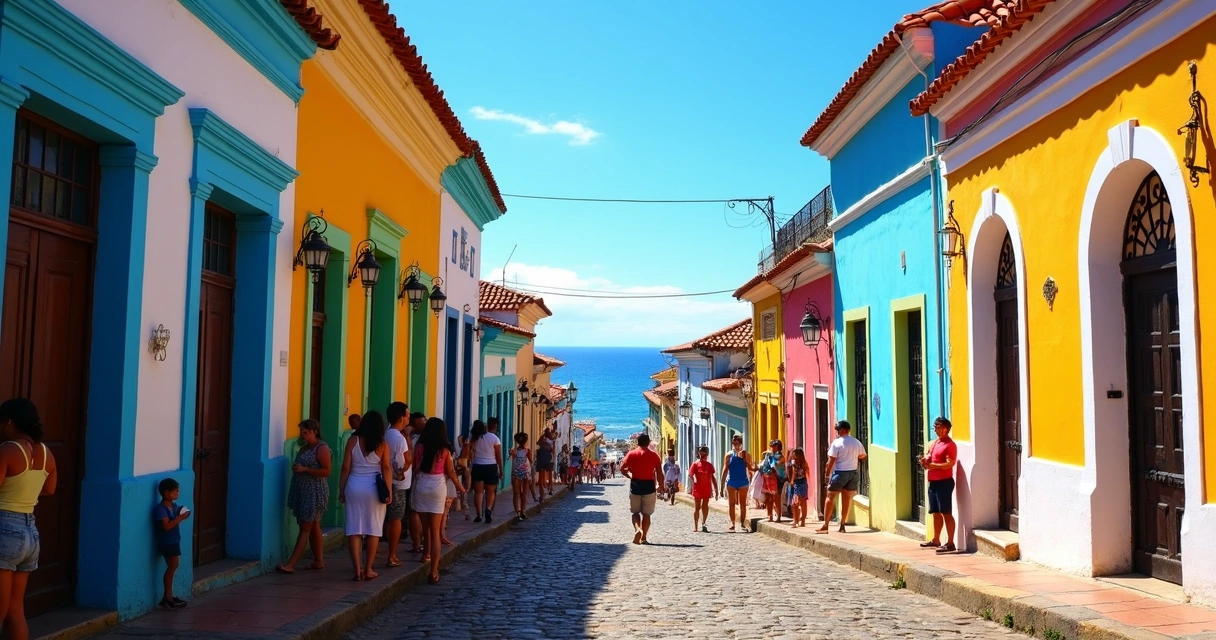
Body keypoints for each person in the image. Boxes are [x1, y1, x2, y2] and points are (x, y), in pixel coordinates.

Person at [0, 399, 58, 637]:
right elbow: (50, 490)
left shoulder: (8, 449)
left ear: (10, 422)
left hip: (5, 530)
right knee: (15, 610)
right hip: (30, 534)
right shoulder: (47, 454)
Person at [338, 410, 392, 580]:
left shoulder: (352, 441)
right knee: (373, 530)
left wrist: (341, 489)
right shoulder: (382, 444)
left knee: (354, 529)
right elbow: (386, 468)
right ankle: (368, 569)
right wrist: (388, 490)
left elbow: (346, 467)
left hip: (353, 486)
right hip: (374, 489)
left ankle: (357, 570)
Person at [412, 417, 465, 584]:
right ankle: (434, 572)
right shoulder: (444, 450)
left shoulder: (419, 447)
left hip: (421, 486)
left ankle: (426, 554)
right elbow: (450, 472)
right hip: (437, 488)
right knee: (436, 532)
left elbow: (415, 468)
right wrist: (460, 487)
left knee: (426, 529)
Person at [277, 419, 331, 573]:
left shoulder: (322, 448)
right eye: (301, 432)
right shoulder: (305, 447)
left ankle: (291, 564)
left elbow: (327, 471)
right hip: (303, 490)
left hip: (314, 492)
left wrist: (306, 469)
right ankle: (319, 560)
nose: (303, 435)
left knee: (306, 527)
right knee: (313, 525)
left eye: (305, 432)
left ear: (314, 431)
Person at [816, 420, 867, 535]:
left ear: (843, 430)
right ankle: (842, 524)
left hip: (840, 473)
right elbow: (863, 455)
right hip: (853, 473)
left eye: (838, 430)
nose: (837, 432)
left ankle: (825, 525)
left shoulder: (837, 443)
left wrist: (827, 474)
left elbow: (831, 460)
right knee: (846, 499)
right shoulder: (856, 442)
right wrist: (854, 458)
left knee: (830, 496)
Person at [920, 417, 959, 553]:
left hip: (944, 482)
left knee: (946, 512)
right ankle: (936, 540)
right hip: (933, 482)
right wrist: (925, 461)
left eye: (938, 427)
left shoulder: (950, 445)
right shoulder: (935, 443)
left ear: (946, 428)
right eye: (935, 427)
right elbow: (929, 457)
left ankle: (950, 543)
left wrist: (933, 465)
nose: (936, 429)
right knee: (935, 512)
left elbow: (950, 463)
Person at [620, 434, 664, 545]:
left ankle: (637, 529)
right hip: (649, 485)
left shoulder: (632, 454)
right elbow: (659, 472)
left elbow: (622, 469)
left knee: (635, 512)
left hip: (636, 484)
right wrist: (662, 486)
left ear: (637, 442)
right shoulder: (654, 455)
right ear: (648, 442)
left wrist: (629, 476)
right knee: (646, 514)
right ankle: (644, 537)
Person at [382, 402, 411, 568]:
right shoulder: (400, 439)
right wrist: (405, 469)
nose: (408, 418)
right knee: (395, 519)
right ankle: (392, 554)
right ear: (401, 418)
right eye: (407, 415)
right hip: (397, 485)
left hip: (383, 482)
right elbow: (406, 460)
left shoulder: (385, 435)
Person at [153, 478, 187, 610]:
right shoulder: (161, 509)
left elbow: (182, 511)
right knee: (172, 566)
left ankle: (169, 596)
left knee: (173, 565)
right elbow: (166, 526)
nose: (177, 493)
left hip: (174, 540)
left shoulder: (172, 506)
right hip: (167, 542)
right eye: (175, 491)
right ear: (167, 493)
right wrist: (179, 518)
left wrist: (184, 512)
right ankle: (168, 597)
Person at [468, 419, 502, 524]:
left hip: (478, 466)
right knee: (490, 491)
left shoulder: (473, 439)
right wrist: (501, 469)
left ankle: (478, 515)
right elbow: (498, 456)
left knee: (478, 492)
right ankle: (488, 509)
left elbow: (470, 454)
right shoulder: (494, 438)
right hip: (491, 466)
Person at [720, 434, 754, 532]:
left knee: (743, 504)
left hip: (743, 481)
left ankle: (742, 523)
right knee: (731, 503)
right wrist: (721, 487)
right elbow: (725, 470)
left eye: (737, 443)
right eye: (734, 443)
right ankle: (732, 523)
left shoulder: (746, 454)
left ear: (741, 444)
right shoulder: (729, 455)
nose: (735, 445)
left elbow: (750, 468)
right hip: (731, 481)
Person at [405, 412, 426, 555]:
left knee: (414, 512)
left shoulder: (417, 442)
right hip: (415, 479)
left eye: (423, 423)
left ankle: (418, 543)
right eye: (419, 423)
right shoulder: (412, 439)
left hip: (418, 479)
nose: (421, 426)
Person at [688, 445, 718, 532]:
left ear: (707, 454)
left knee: (705, 506)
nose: (701, 454)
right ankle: (696, 526)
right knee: (697, 507)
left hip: (707, 488)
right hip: (698, 488)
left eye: (703, 452)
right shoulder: (695, 464)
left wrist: (716, 489)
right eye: (700, 452)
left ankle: (704, 523)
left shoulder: (709, 465)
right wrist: (694, 480)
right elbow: (690, 475)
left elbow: (713, 478)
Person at [509, 432, 533, 521]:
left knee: (516, 493)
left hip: (516, 473)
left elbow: (513, 459)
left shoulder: (514, 451)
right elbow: (530, 461)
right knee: (524, 493)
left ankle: (516, 511)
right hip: (526, 473)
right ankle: (522, 510)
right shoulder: (528, 451)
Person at [760, 440, 785, 523]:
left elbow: (777, 464)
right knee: (769, 498)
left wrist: (772, 458)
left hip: (777, 479)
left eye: (774, 446)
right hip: (767, 478)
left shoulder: (780, 456)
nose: (772, 448)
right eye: (771, 446)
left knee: (776, 498)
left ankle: (778, 517)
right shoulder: (768, 455)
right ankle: (770, 516)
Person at [787, 448, 811, 528]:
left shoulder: (796, 463)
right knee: (802, 503)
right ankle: (801, 521)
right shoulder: (804, 463)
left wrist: (792, 481)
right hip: (803, 483)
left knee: (795, 503)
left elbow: (793, 473)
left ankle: (796, 521)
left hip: (797, 483)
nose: (792, 456)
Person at [535, 428, 555, 499]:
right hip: (548, 458)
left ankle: (542, 493)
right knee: (549, 474)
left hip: (540, 457)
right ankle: (550, 488)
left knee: (541, 475)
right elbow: (553, 451)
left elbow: (537, 443)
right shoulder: (552, 441)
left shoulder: (543, 439)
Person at [455, 435, 471, 519]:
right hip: (464, 471)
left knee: (463, 491)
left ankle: (465, 510)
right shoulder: (464, 448)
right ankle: (465, 510)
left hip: (464, 471)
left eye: (459, 440)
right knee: (463, 492)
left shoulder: (465, 448)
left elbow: (464, 462)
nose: (458, 442)